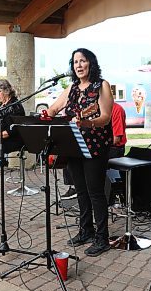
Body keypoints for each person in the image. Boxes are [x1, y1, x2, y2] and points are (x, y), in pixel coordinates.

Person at [47, 48, 113, 257]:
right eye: (75, 62)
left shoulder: (101, 86)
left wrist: (87, 121)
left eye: (82, 61)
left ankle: (102, 238)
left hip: (96, 145)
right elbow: (54, 108)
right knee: (81, 190)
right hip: (74, 144)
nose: (78, 65)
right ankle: (86, 230)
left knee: (95, 191)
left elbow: (105, 117)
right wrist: (46, 116)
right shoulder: (72, 88)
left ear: (90, 63)